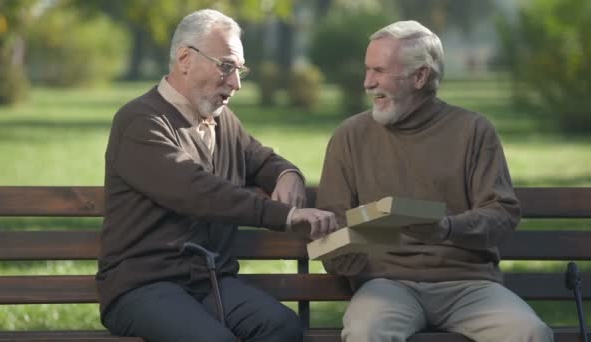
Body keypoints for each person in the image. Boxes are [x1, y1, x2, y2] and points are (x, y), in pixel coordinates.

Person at [96, 9, 337, 342]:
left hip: (210, 283)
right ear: (184, 58)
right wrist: (288, 216)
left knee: (282, 328)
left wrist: (287, 174)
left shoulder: (223, 121)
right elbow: (196, 190)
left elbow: (260, 158)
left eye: (239, 70)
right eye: (226, 66)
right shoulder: (140, 121)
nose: (235, 83)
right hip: (143, 287)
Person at [316, 20, 553, 342]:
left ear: (420, 76)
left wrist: (446, 228)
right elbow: (333, 226)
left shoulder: (473, 130)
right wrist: (337, 245)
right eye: (367, 70)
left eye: (379, 71)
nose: (368, 83)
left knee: (531, 333)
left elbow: (501, 213)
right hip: (387, 285)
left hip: (468, 284)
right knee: (366, 332)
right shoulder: (350, 136)